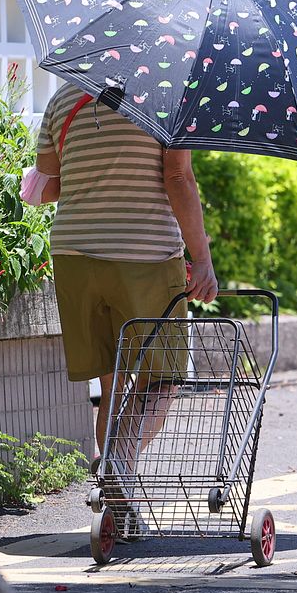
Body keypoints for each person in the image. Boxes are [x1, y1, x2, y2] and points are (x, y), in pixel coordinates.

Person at [30, 83, 219, 463]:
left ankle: (118, 503)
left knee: (111, 384)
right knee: (161, 380)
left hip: (73, 254)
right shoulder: (167, 96)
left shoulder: (65, 96)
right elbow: (178, 177)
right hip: (143, 255)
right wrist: (201, 257)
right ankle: (119, 461)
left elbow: (49, 182)